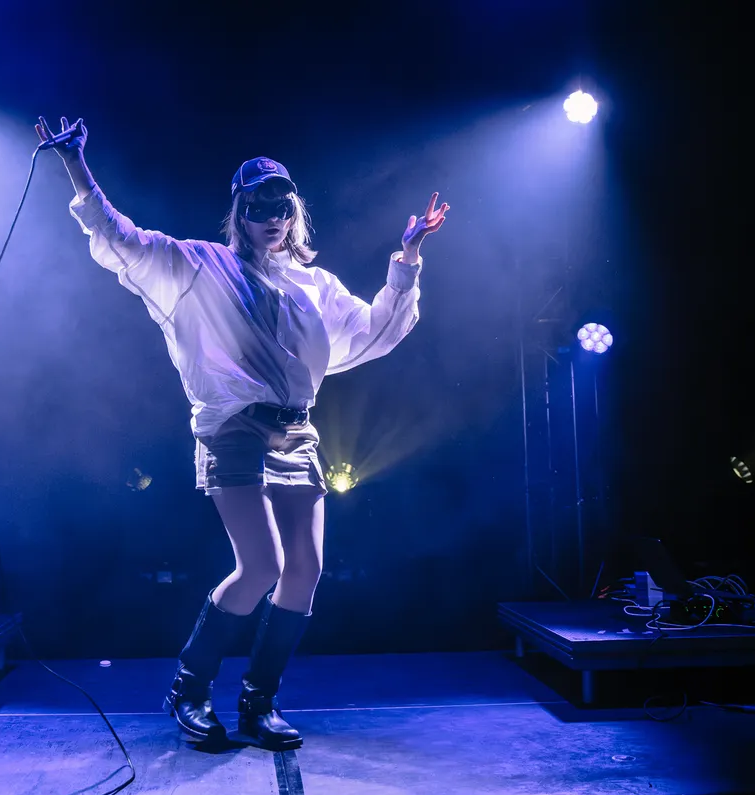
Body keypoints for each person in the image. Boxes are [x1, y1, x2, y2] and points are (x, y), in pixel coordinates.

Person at [37, 115, 449, 751]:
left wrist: (409, 258)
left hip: (297, 435)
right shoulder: (202, 266)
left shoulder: (314, 285)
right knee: (262, 566)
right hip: (234, 429)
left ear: (294, 212)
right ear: (240, 212)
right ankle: (189, 688)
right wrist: (76, 165)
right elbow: (122, 240)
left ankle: (259, 701)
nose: (272, 217)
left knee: (304, 571)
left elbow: (375, 331)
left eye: (282, 205)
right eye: (258, 206)